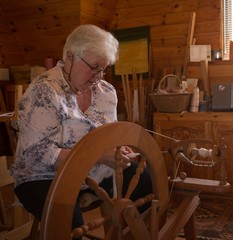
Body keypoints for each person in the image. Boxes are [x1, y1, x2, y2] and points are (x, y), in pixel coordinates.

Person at [9, 24, 152, 233]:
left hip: (93, 175)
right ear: (70, 57)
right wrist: (98, 156)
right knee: (69, 221)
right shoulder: (45, 91)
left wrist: (118, 150)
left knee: (144, 180)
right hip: (43, 177)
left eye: (104, 69)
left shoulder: (106, 92)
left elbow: (108, 136)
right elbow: (36, 155)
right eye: (94, 67)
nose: (98, 76)